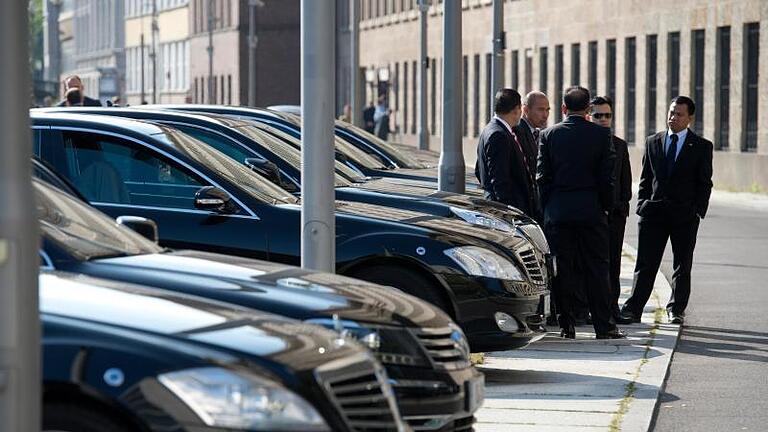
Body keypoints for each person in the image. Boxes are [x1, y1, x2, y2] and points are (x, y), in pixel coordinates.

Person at [537, 86, 625, 339]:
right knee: (597, 268)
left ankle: (567, 325)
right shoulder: (600, 136)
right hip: (591, 210)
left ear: (564, 109)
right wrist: (605, 207)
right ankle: (603, 326)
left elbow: (542, 177)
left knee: (562, 269)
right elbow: (607, 179)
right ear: (588, 110)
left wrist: (547, 210)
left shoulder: (549, 135)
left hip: (559, 212)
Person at [619, 96, 713, 325]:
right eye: (671, 112)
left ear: (690, 118)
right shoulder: (653, 141)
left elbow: (704, 182)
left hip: (684, 215)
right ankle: (634, 309)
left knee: (682, 264)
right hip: (654, 214)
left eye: (679, 114)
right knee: (645, 263)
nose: (673, 118)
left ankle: (676, 309)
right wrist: (642, 205)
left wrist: (697, 211)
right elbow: (645, 178)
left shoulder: (701, 146)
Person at [588, 96, 633, 324]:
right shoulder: (582, 143)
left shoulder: (619, 145)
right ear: (589, 116)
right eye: (598, 115)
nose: (604, 119)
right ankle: (590, 309)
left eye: (607, 115)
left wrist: (621, 207)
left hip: (614, 218)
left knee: (613, 264)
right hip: (590, 215)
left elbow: (626, 182)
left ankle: (612, 308)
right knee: (590, 264)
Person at [475, 88, 536, 216]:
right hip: (506, 210)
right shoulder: (498, 134)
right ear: (516, 109)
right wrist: (508, 213)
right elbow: (499, 180)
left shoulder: (491, 129)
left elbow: (478, 170)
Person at [513, 91, 551, 222]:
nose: (545, 115)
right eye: (540, 110)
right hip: (521, 207)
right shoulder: (516, 132)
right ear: (525, 109)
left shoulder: (541, 135)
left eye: (547, 110)